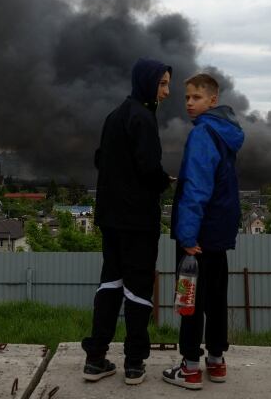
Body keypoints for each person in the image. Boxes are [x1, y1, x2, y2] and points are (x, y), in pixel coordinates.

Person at [81, 58, 173, 385]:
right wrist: (165, 181)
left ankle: (95, 358)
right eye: (162, 84)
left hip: (110, 218)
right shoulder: (143, 117)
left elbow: (99, 159)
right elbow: (149, 168)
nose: (166, 91)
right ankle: (134, 363)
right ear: (147, 82)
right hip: (138, 222)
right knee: (138, 290)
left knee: (110, 285)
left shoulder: (115, 115)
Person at [163, 73, 244, 390]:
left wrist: (187, 236)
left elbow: (197, 190)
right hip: (219, 236)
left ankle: (190, 368)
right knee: (216, 300)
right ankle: (216, 362)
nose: (189, 103)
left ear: (213, 100)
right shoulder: (227, 133)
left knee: (190, 300)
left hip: (197, 238)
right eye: (186, 98)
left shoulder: (202, 135)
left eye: (196, 97)